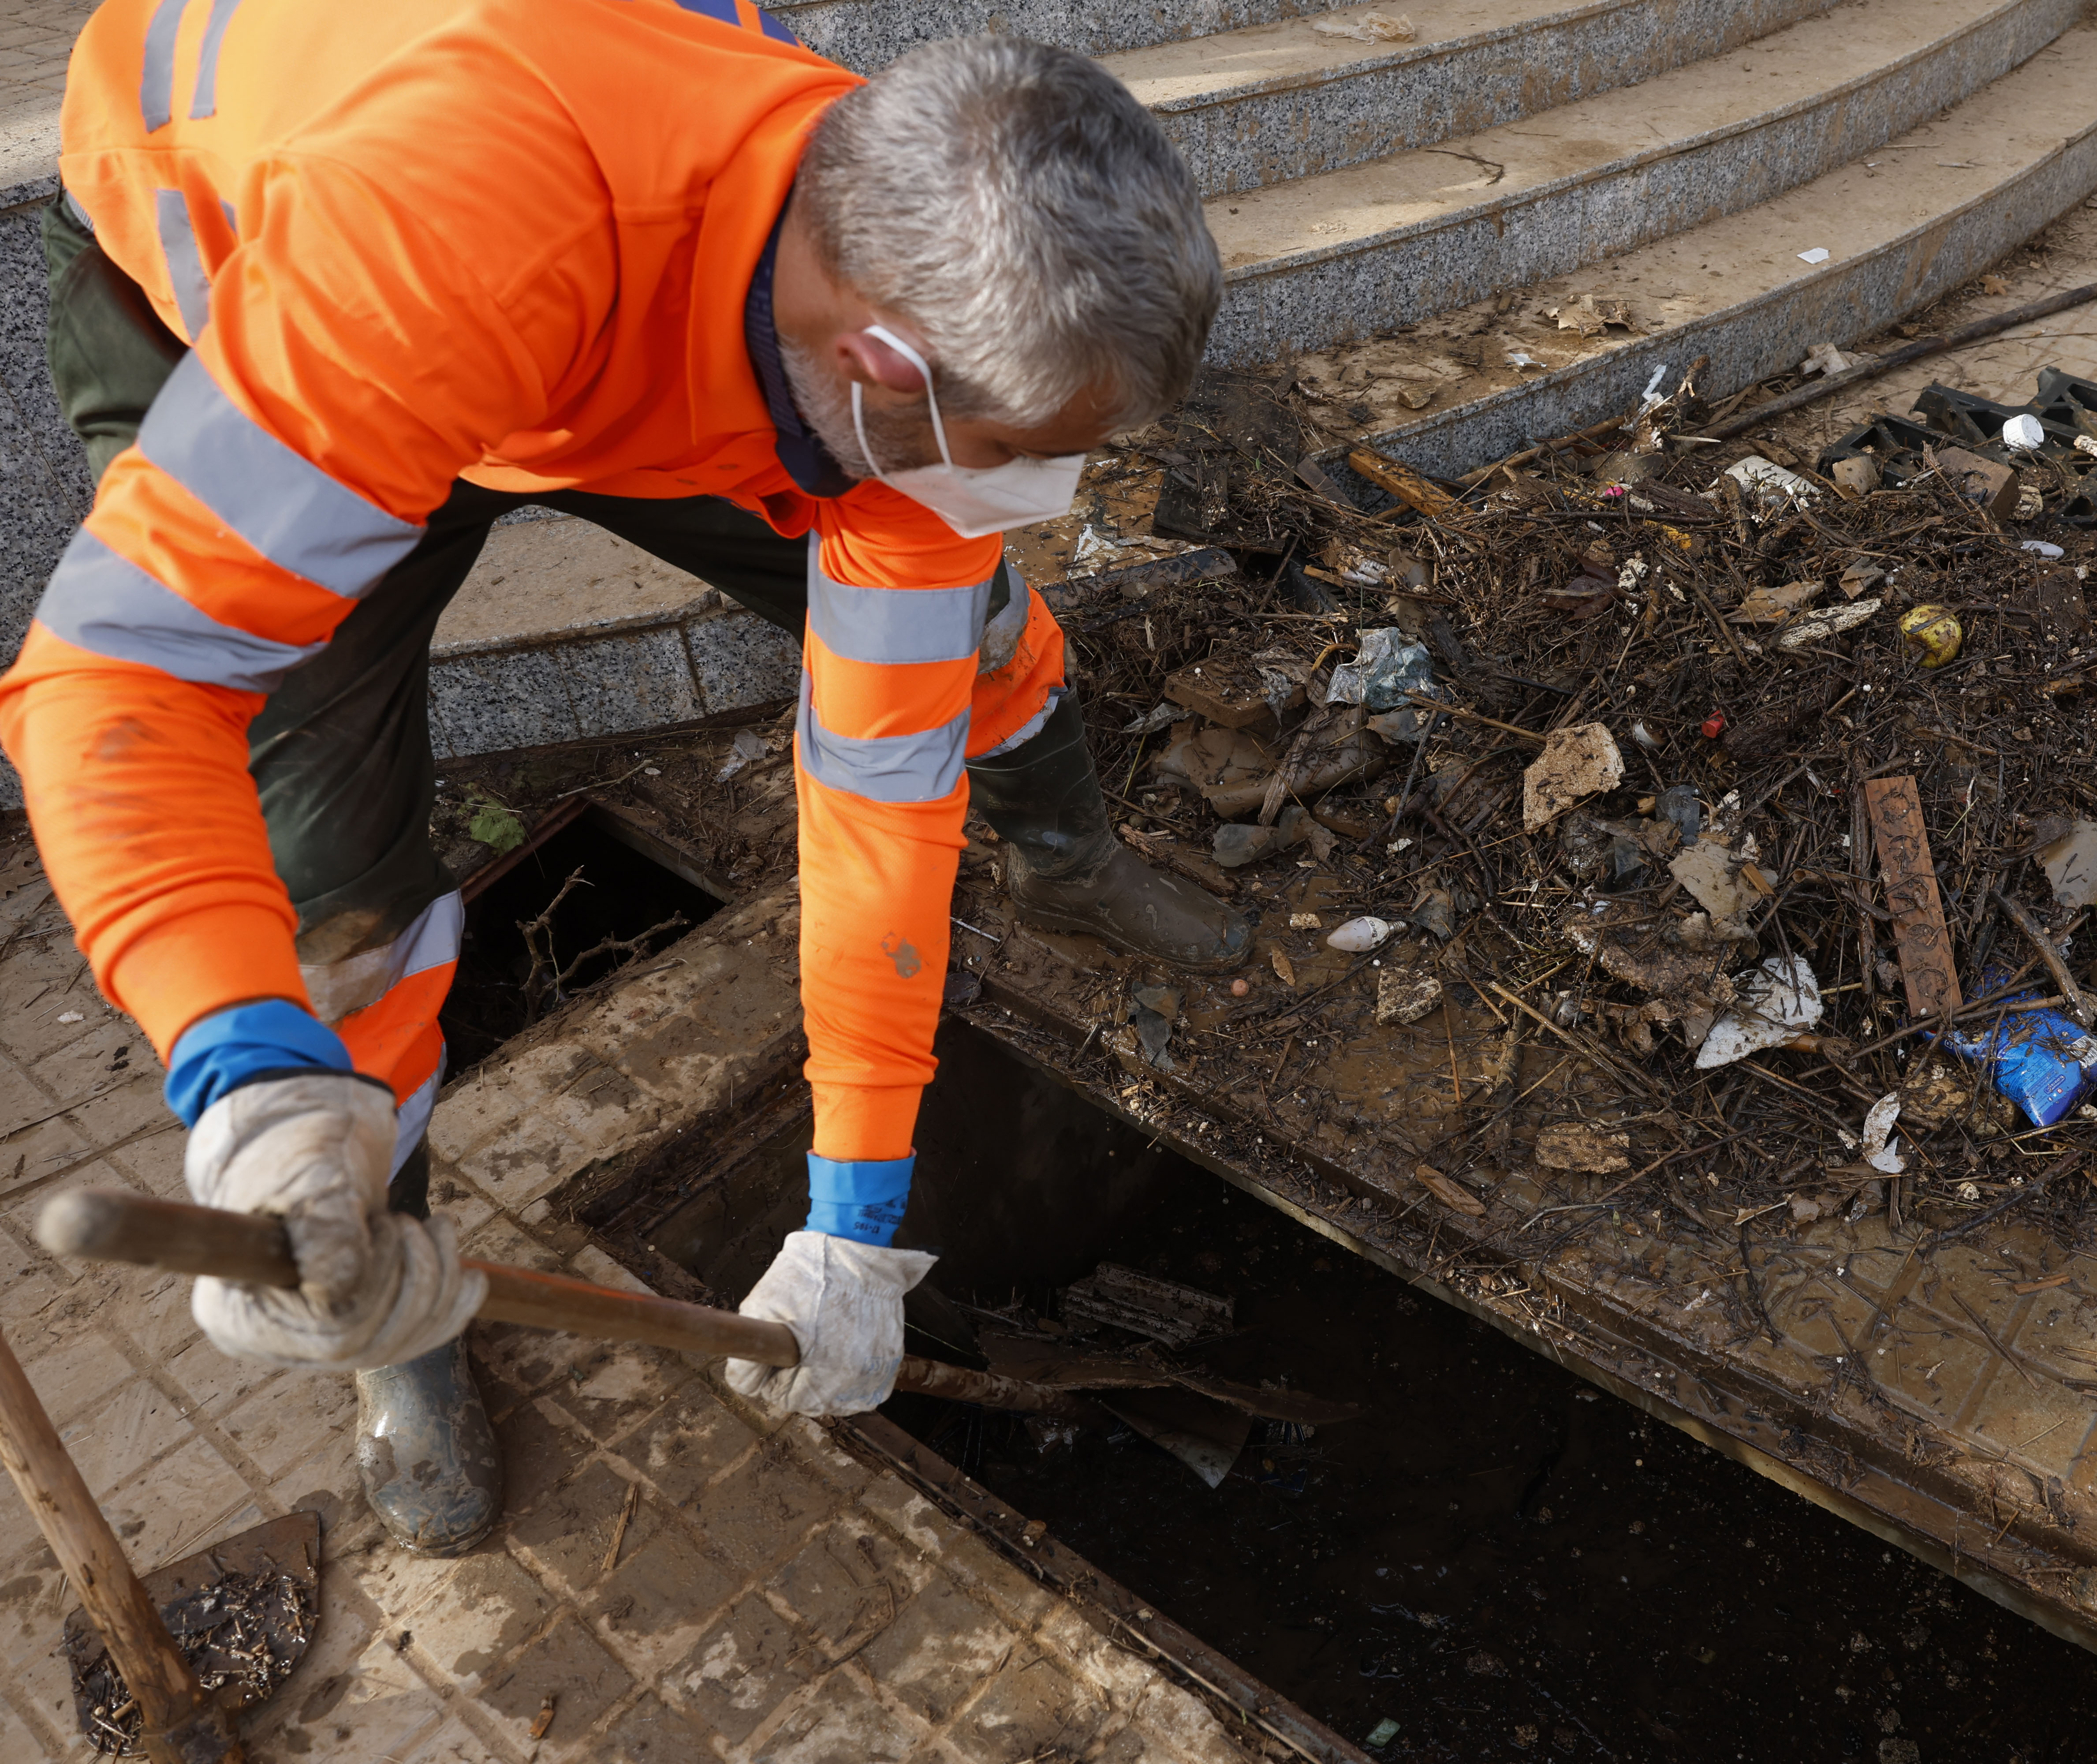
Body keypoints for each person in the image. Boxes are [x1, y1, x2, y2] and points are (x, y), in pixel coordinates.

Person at [3, 0, 1241, 1557]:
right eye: (1025, 451)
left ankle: (1073, 860)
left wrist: (856, 1223)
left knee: (972, 619)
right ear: (879, 364)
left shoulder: (892, 262)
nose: (1039, 491)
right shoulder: (450, 232)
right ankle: (381, 1295)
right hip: (251, 271)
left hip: (632, 340)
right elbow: (121, 679)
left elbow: (878, 792)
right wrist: (239, 1071)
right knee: (328, 868)